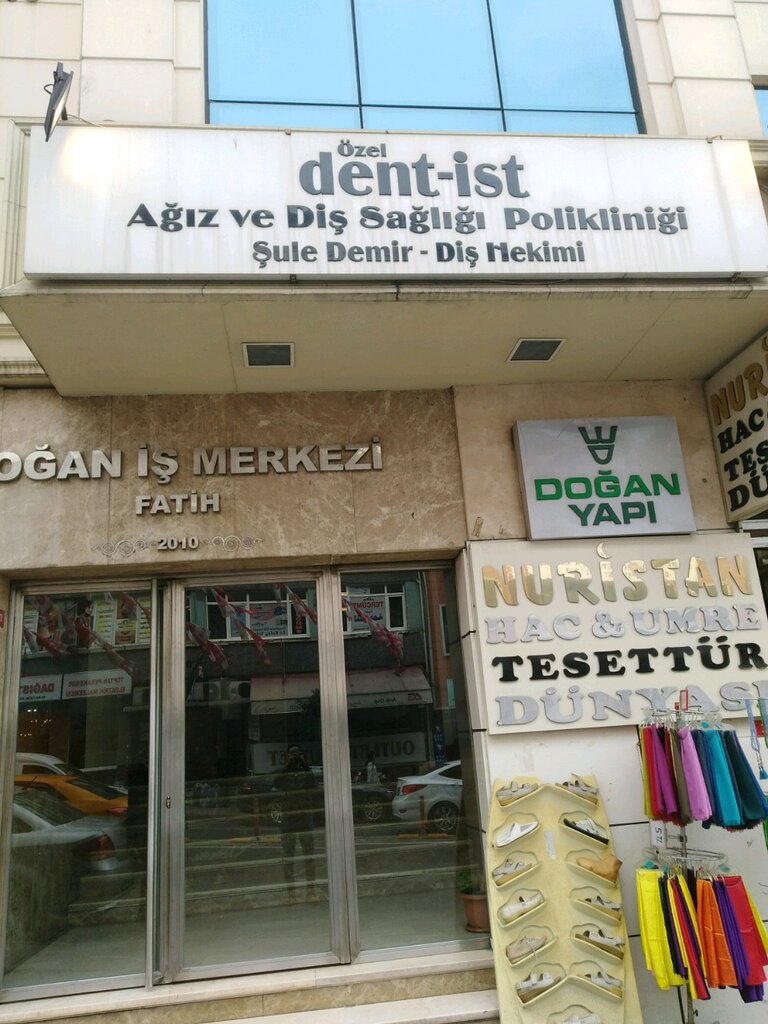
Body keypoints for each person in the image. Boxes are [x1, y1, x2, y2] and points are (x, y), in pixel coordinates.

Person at [275, 745, 319, 902]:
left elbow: (314, 785)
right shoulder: (284, 772)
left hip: (304, 816)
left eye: (297, 754)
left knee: (309, 855)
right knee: (288, 856)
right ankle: (291, 894)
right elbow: (276, 783)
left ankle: (311, 891)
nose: (295, 757)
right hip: (289, 817)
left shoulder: (306, 772)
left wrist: (305, 766)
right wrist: (287, 766)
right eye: (292, 755)